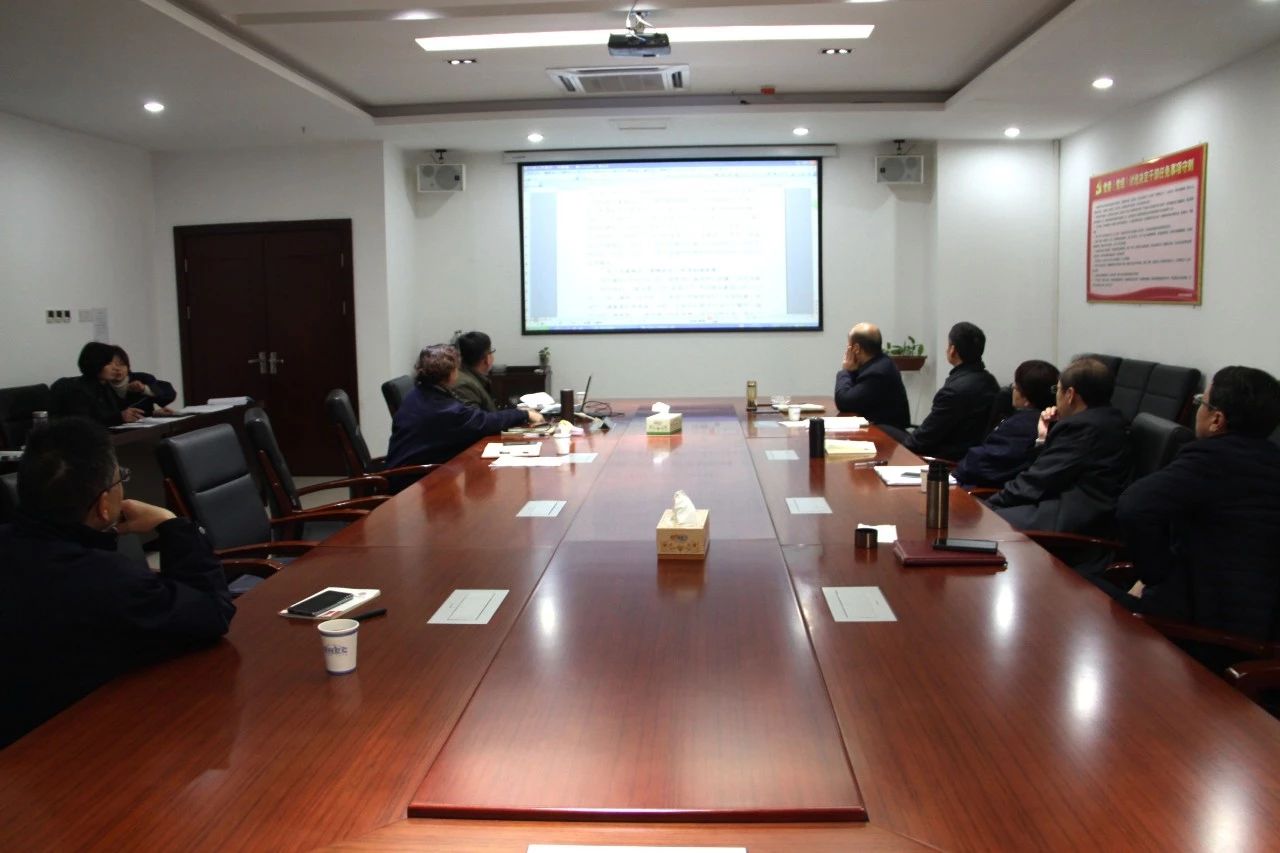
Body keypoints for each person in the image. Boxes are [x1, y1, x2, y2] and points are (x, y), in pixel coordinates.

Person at [0, 417, 234, 749]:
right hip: (79, 750)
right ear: (103, 505)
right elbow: (212, 612)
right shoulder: (105, 580)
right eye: (120, 478)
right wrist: (172, 525)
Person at [1116, 366, 1280, 645]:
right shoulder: (1271, 459)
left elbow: (1134, 507)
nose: (1197, 409)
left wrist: (1155, 574)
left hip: (1203, 630)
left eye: (1201, 402)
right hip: (1255, 625)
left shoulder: (1213, 458)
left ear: (1217, 420)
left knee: (1079, 597)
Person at [986, 356, 1131, 538]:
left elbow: (1037, 481)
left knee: (986, 523)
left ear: (1070, 395)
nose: (1056, 396)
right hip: (1070, 507)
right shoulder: (1109, 419)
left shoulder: (1083, 428)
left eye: (1058, 389)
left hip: (1071, 519)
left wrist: (987, 505)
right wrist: (1043, 436)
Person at [385, 344, 545, 487]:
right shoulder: (445, 410)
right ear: (451, 373)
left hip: (408, 474)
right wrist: (524, 413)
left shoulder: (417, 394)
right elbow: (485, 421)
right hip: (414, 482)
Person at [891, 322, 999, 461]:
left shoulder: (953, 391)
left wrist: (895, 451)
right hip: (972, 454)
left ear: (952, 350)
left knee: (885, 432)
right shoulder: (990, 381)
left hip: (946, 459)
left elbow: (925, 438)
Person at [954, 359, 1059, 488]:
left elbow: (982, 462)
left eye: (1016, 385)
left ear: (1026, 398)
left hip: (987, 490)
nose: (1012, 388)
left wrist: (955, 472)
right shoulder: (1055, 421)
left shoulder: (1021, 425)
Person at [833, 323, 910, 429]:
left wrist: (845, 371)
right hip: (879, 429)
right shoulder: (880, 362)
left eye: (848, 346)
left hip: (887, 434)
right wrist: (851, 371)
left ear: (856, 348)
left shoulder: (877, 372)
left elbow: (844, 402)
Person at [49, 342, 145, 425]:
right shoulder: (77, 389)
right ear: (96, 363)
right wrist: (119, 418)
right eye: (109, 363)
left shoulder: (105, 385)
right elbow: (84, 422)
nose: (115, 368)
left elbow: (117, 411)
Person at [109, 345, 177, 415]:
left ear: (128, 366)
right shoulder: (103, 386)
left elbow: (168, 395)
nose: (118, 369)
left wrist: (144, 389)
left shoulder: (142, 378)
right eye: (113, 365)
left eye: (122, 364)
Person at [450, 331, 498, 412]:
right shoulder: (464, 384)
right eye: (491, 351)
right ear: (486, 359)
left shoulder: (466, 376)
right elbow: (476, 418)